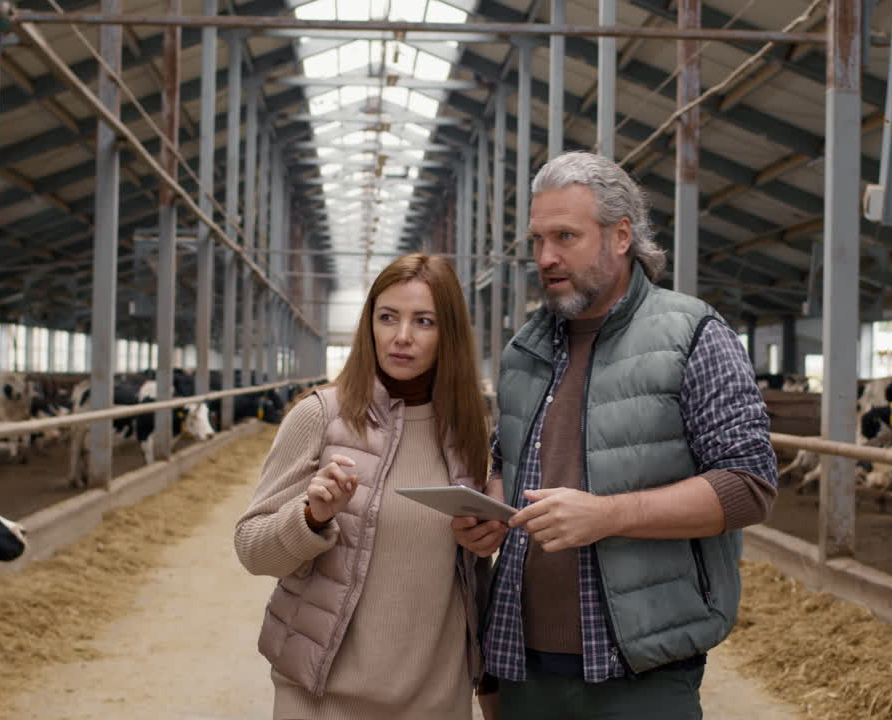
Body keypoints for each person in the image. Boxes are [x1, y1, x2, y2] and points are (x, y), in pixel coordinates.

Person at [453, 151, 778, 720]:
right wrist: (489, 512)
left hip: (640, 671)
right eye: (537, 240)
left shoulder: (694, 334)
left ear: (621, 235)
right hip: (523, 661)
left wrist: (607, 515)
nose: (546, 258)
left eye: (565, 237)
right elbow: (511, 466)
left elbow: (748, 484)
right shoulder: (521, 353)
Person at [234, 253, 490, 720]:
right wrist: (311, 517)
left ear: (449, 333)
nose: (402, 337)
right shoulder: (320, 416)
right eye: (387, 317)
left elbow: (472, 572)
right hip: (323, 698)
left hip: (436, 700)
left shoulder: (469, 431)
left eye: (424, 321)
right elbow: (252, 549)